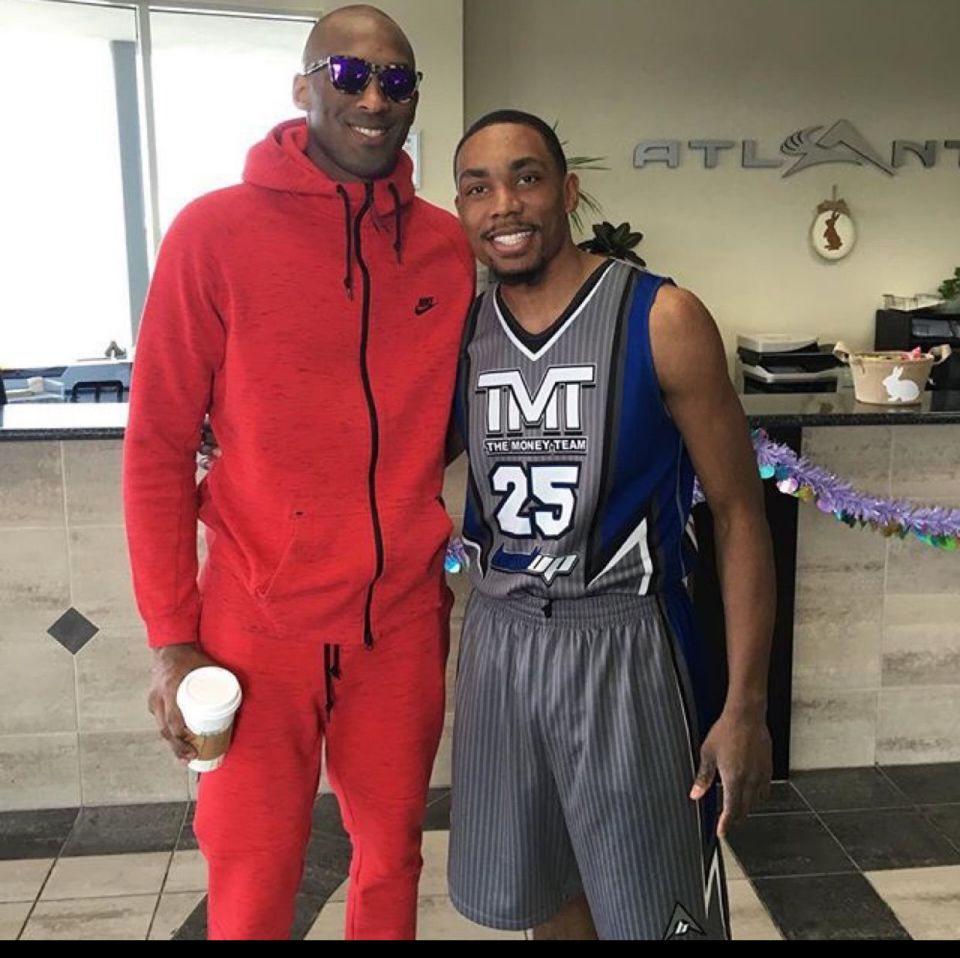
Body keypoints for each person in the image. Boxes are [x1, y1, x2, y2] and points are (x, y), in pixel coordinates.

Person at [122, 5, 475, 940]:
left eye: (396, 81)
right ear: (302, 88)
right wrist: (172, 638)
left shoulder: (445, 247)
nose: (374, 98)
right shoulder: (213, 234)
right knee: (252, 871)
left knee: (391, 859)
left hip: (399, 622)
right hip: (254, 626)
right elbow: (157, 445)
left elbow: (442, 416)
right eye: (348, 74)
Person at [446, 110, 774, 940]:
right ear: (460, 210)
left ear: (568, 191)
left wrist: (744, 705)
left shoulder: (662, 317)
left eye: (526, 177)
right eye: (478, 188)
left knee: (656, 915)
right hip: (502, 644)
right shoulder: (462, 335)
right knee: (548, 900)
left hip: (628, 643)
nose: (504, 205)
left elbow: (739, 513)